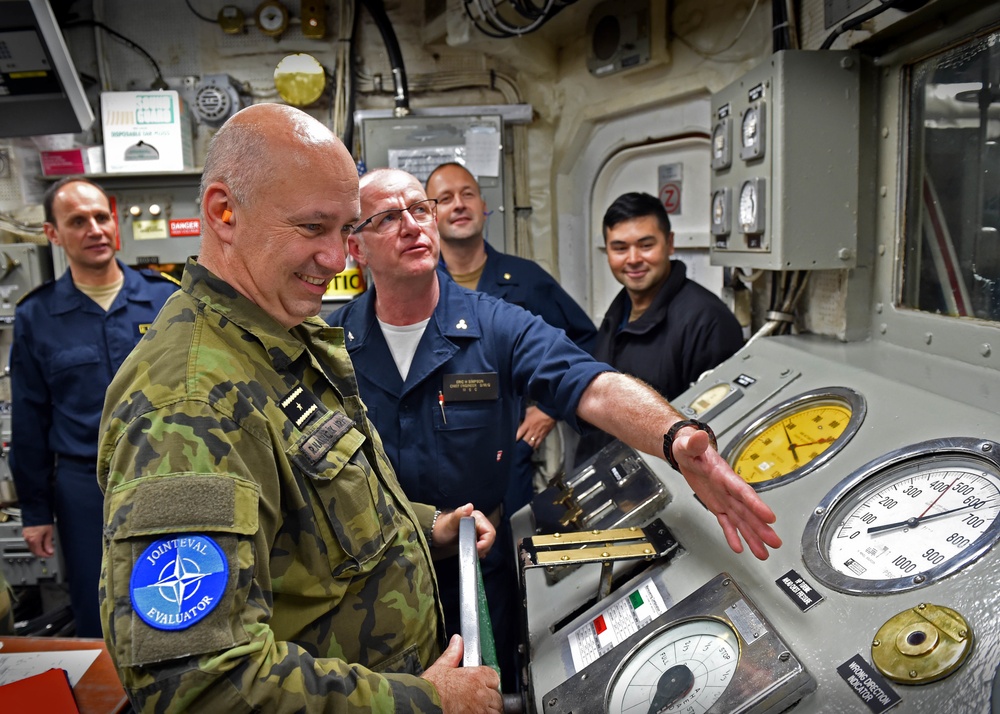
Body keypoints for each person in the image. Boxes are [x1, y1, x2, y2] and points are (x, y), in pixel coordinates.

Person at [97, 104, 502, 713]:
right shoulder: (187, 404)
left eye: (345, 231)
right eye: (313, 228)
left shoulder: (281, 336)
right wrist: (423, 702)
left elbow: (313, 520)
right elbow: (200, 683)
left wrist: (425, 528)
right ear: (223, 212)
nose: (338, 259)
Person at [328, 168, 782, 692]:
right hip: (373, 579)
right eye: (387, 217)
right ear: (355, 247)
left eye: (419, 210)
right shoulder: (330, 345)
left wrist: (675, 439)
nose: (412, 225)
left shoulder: (497, 324)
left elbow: (592, 385)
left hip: (476, 573)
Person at [9, 177, 178, 638]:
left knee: (176, 596)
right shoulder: (36, 317)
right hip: (85, 490)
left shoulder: (165, 300)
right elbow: (29, 420)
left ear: (115, 221)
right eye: (78, 221)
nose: (95, 229)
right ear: (52, 234)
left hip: (166, 474)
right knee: (97, 601)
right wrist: (36, 510)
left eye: (101, 217)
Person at [425, 162, 597, 516]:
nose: (459, 204)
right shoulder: (419, 287)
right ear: (430, 214)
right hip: (436, 453)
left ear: (483, 206)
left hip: (510, 451)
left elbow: (586, 342)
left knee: (514, 553)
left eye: (467, 194)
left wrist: (550, 410)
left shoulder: (525, 279)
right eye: (445, 198)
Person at [577, 191, 745, 462]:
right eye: (620, 248)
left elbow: (718, 429)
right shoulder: (620, 309)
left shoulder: (707, 321)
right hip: (609, 467)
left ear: (669, 243)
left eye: (645, 245)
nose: (632, 259)